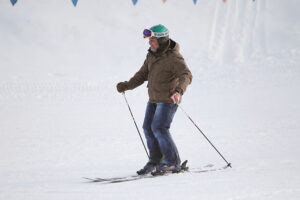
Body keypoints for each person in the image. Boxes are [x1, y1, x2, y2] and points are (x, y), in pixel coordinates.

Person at [116, 24, 192, 174]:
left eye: (153, 40)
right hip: (153, 99)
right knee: (148, 128)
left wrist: (179, 91)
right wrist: (127, 85)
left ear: (162, 41)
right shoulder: (151, 54)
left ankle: (172, 162)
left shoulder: (173, 58)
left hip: (168, 99)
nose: (150, 42)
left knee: (159, 128)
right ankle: (156, 161)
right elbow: (142, 74)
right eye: (149, 40)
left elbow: (186, 75)